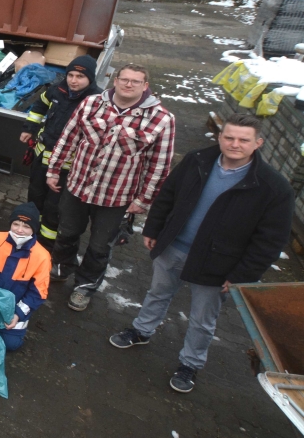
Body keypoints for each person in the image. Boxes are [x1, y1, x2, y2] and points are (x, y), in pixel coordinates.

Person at [109, 114, 292, 394]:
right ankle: (141, 330)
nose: (235, 144)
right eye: (229, 137)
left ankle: (190, 364)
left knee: (202, 318)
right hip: (174, 247)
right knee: (158, 293)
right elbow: (168, 194)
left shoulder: (273, 188)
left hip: (217, 264)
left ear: (258, 143)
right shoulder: (197, 160)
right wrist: (155, 228)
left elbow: (269, 240)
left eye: (244, 140)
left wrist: (242, 275)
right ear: (219, 137)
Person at [46, 63, 176, 311]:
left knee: (99, 246)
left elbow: (159, 165)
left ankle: (86, 286)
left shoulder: (162, 119)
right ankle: (61, 267)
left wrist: (144, 200)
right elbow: (69, 137)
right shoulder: (92, 103)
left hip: (116, 197)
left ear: (145, 86)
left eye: (135, 81)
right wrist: (54, 169)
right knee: (67, 232)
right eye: (124, 79)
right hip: (78, 186)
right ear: (115, 80)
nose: (128, 84)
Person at [19, 55, 102, 249]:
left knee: (54, 207)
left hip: (67, 168)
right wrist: (29, 127)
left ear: (90, 78)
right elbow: (39, 106)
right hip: (41, 158)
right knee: (35, 196)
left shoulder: (96, 101)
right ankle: (29, 231)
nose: (73, 80)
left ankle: (46, 245)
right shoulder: (57, 90)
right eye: (71, 75)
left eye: (80, 77)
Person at [0, 203, 51, 351]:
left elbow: (38, 292)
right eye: (16, 224)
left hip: (14, 309)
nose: (20, 230)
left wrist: (17, 314)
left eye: (26, 226)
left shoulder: (42, 256)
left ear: (33, 229)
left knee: (10, 344)